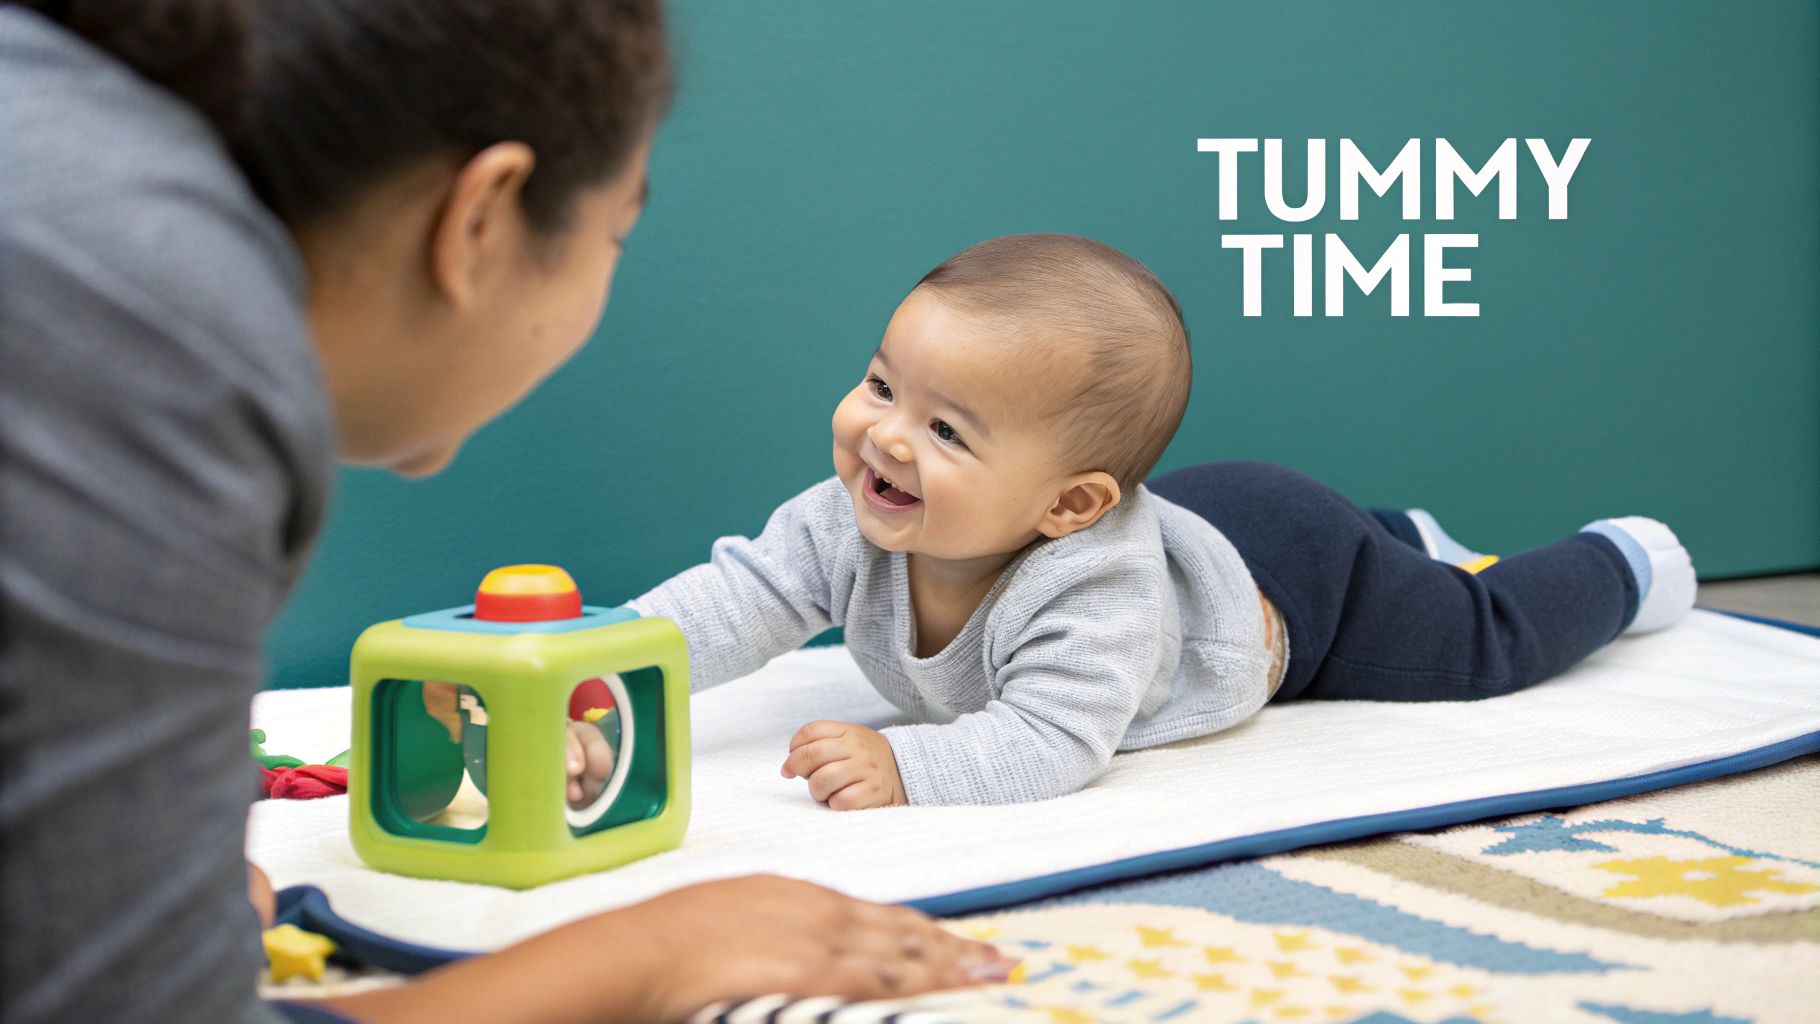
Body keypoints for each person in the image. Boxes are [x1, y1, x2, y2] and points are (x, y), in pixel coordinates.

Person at [0, 2, 1012, 1022]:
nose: (887, 438)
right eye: (618, 233)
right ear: (483, 216)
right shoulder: (154, 343)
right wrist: (653, 952)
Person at [610, 233, 1697, 809]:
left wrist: (909, 769)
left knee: (1474, 641)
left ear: (1069, 505)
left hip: (1293, 592)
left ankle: (1620, 564)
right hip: (1208, 522)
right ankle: (1402, 530)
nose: (886, 437)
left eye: (946, 431)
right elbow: (736, 597)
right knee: (1300, 535)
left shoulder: (1093, 591)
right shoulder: (849, 518)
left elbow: (1053, 738)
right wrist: (602, 666)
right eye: (882, 387)